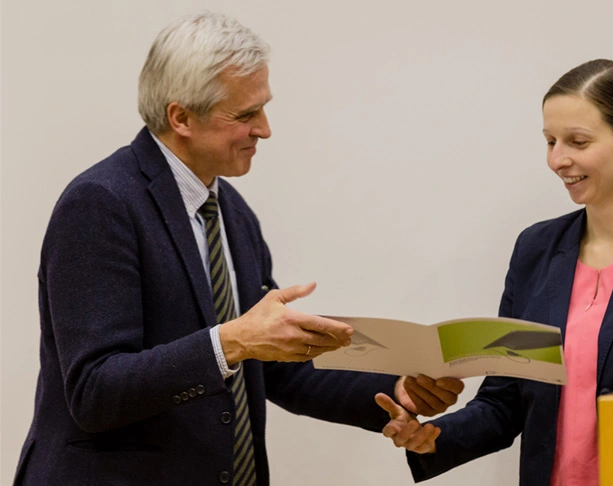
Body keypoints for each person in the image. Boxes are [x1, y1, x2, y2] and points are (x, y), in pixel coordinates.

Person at [13, 12, 463, 486]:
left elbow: (274, 370)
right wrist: (232, 341)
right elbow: (95, 391)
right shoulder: (100, 203)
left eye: (263, 108)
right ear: (181, 116)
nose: (265, 129)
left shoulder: (231, 211)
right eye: (246, 115)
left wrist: (396, 392)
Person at [376, 59, 613, 486]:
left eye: (577, 141)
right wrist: (432, 438)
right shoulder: (536, 250)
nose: (558, 160)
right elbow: (505, 404)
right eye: (550, 141)